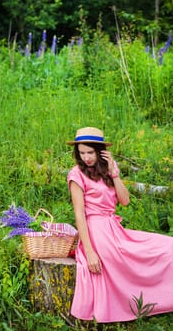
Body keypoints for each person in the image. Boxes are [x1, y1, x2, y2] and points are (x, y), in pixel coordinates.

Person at [66, 126, 173, 323]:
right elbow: (79, 214)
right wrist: (89, 251)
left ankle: (163, 297)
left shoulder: (108, 171)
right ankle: (128, 305)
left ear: (100, 152)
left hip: (114, 228)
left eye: (90, 152)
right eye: (82, 152)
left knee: (168, 245)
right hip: (95, 230)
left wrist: (115, 173)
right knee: (121, 259)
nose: (86, 157)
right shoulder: (76, 174)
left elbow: (124, 201)